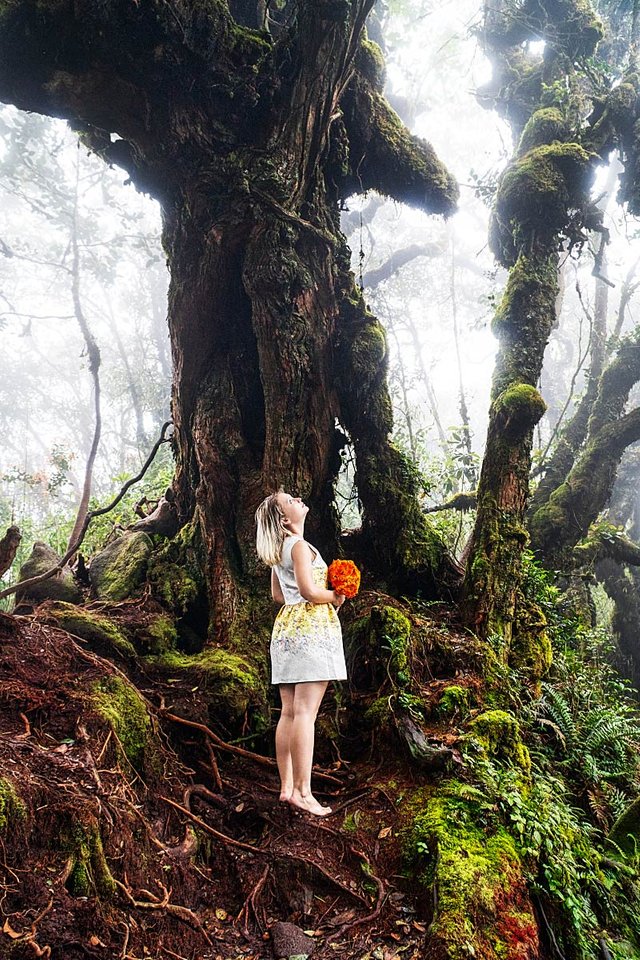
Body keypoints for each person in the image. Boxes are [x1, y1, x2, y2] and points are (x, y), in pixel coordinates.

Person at [255, 491, 347, 816]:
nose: (297, 500)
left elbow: (278, 595)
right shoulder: (298, 546)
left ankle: (286, 788)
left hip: (286, 630)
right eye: (290, 501)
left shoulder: (278, 550)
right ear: (283, 519)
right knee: (306, 712)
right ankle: (304, 793)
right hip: (310, 630)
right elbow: (308, 592)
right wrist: (334, 596)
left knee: (290, 711)